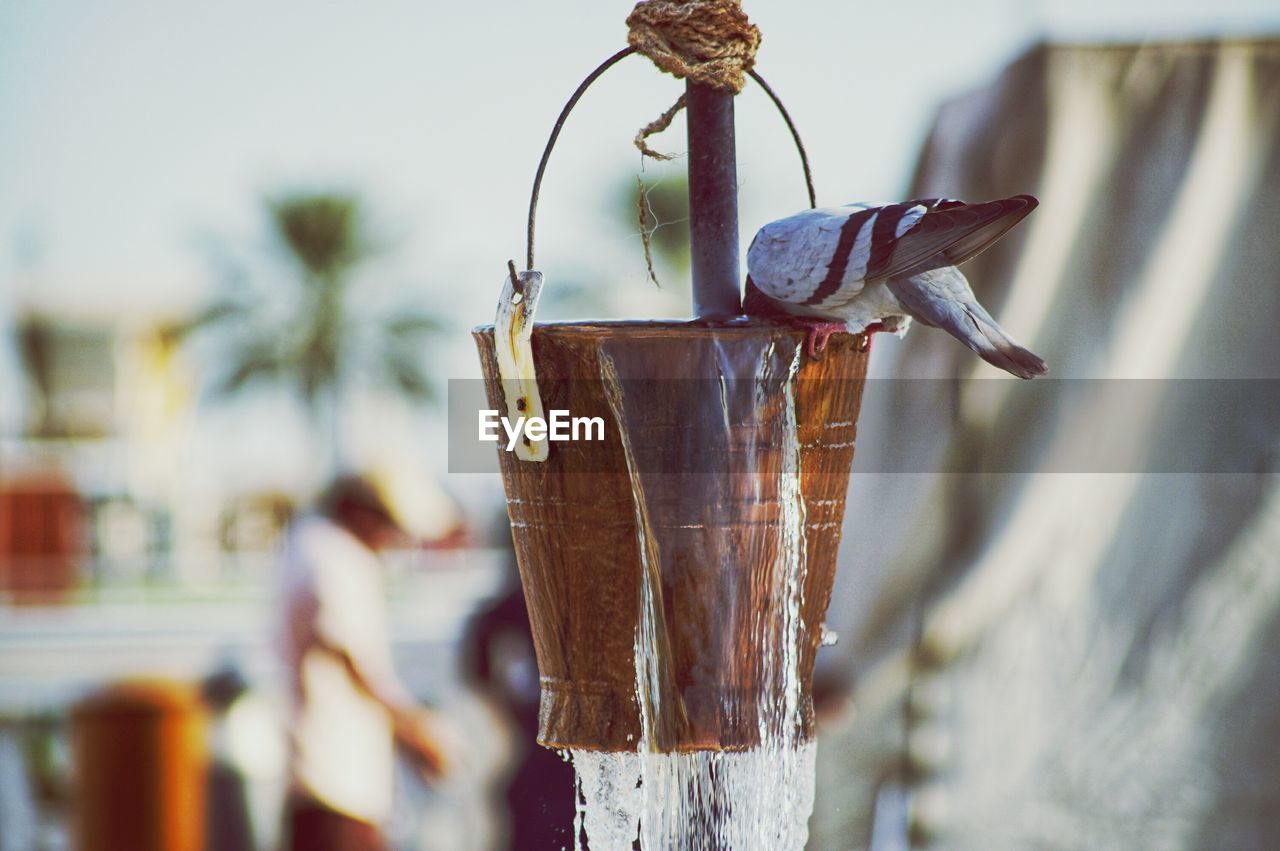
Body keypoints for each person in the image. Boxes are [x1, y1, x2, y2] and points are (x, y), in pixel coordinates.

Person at [278, 474, 451, 851]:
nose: (394, 540)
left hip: (322, 778)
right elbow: (359, 664)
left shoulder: (309, 545)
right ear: (364, 513)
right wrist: (419, 732)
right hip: (336, 782)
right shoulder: (335, 556)